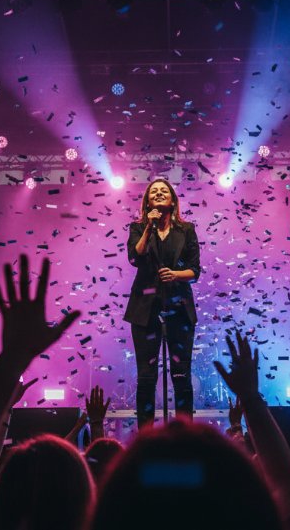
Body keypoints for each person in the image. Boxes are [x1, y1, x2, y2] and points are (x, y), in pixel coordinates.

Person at [125, 178, 202, 427]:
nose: (158, 193)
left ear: (172, 200)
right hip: (145, 311)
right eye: (154, 192)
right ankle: (146, 436)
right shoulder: (138, 228)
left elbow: (195, 270)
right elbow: (135, 257)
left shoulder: (186, 230)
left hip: (179, 309)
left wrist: (175, 275)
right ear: (147, 201)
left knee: (181, 376)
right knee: (146, 378)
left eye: (164, 191)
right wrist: (149, 227)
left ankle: (185, 436)